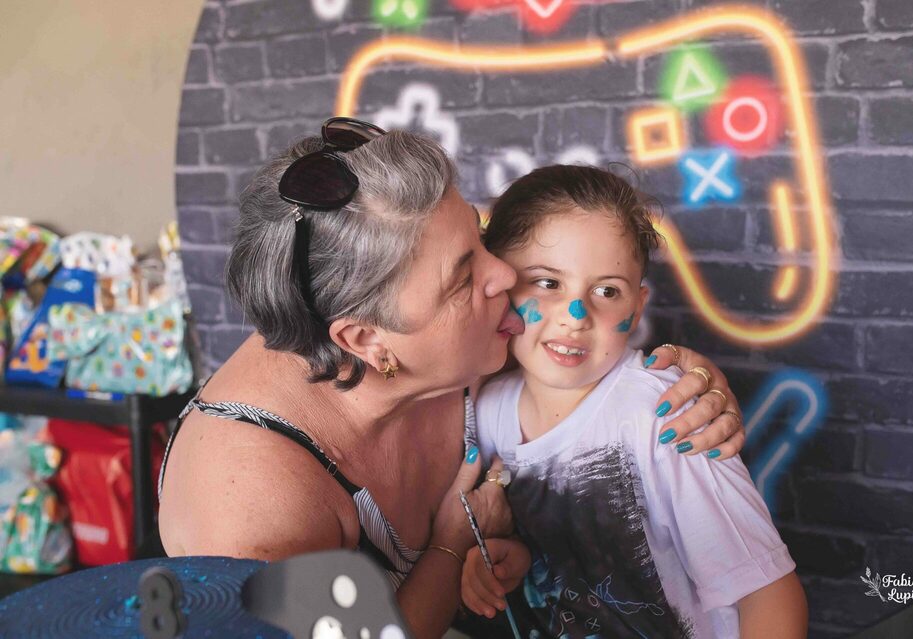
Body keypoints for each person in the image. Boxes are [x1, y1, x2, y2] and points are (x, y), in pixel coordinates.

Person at [158, 118, 749, 639]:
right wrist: (451, 544)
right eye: (464, 277)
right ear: (365, 340)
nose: (505, 275)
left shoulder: (465, 329)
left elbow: (586, 345)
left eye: (478, 234)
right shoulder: (252, 505)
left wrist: (688, 376)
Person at [462, 165, 807, 638]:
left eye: (607, 291)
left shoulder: (664, 414)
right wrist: (517, 559)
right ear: (499, 279)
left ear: (637, 306)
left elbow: (769, 594)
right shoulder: (489, 410)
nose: (576, 316)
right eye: (548, 282)